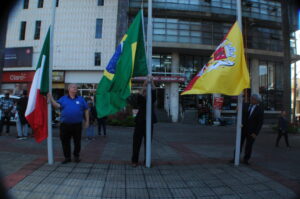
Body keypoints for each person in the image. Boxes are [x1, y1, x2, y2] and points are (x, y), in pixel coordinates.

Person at [48, 84, 89, 164]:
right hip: (65, 125)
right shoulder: (63, 99)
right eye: (73, 87)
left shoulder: (81, 99)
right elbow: (57, 106)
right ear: (69, 89)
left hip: (77, 124)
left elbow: (86, 110)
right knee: (65, 141)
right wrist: (51, 98)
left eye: (76, 87)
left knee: (77, 141)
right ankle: (67, 158)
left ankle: (76, 156)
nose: (75, 89)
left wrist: (87, 121)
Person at [131, 77, 157, 167]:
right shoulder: (140, 98)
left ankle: (147, 161)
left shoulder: (152, 99)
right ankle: (134, 160)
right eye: (145, 91)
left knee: (148, 143)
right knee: (136, 142)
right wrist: (144, 85)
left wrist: (152, 82)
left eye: (147, 91)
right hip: (140, 122)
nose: (145, 92)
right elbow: (139, 96)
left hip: (149, 123)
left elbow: (154, 91)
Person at [239, 94, 264, 165]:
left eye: (253, 99)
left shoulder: (260, 109)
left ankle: (246, 159)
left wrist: (256, 133)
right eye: (251, 98)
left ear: (257, 101)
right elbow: (241, 115)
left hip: (252, 131)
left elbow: (260, 123)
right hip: (242, 129)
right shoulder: (245, 105)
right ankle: (235, 157)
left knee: (249, 146)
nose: (251, 100)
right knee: (239, 144)